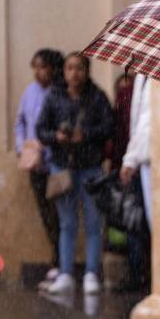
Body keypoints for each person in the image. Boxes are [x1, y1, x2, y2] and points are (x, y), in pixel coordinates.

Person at [35, 52, 115, 294]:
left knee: (93, 222)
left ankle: (91, 272)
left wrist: (86, 135)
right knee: (67, 222)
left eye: (79, 68)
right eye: (69, 68)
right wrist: (56, 136)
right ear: (64, 71)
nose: (74, 73)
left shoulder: (97, 96)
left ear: (87, 71)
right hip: (63, 167)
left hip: (91, 167)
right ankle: (66, 273)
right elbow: (40, 130)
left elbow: (109, 127)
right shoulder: (55, 96)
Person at [14, 48, 64, 290]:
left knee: (60, 213)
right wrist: (21, 146)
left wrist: (50, 145)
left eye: (42, 67)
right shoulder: (29, 92)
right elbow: (20, 122)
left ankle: (61, 261)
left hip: (54, 160)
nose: (38, 72)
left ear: (53, 69)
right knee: (46, 212)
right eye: (35, 67)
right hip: (34, 162)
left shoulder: (58, 92)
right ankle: (56, 257)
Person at [119, 70, 152, 292]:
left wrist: (130, 158)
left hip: (151, 153)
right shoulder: (142, 76)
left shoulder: (156, 75)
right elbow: (139, 120)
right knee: (145, 219)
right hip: (143, 156)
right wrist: (130, 158)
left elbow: (146, 121)